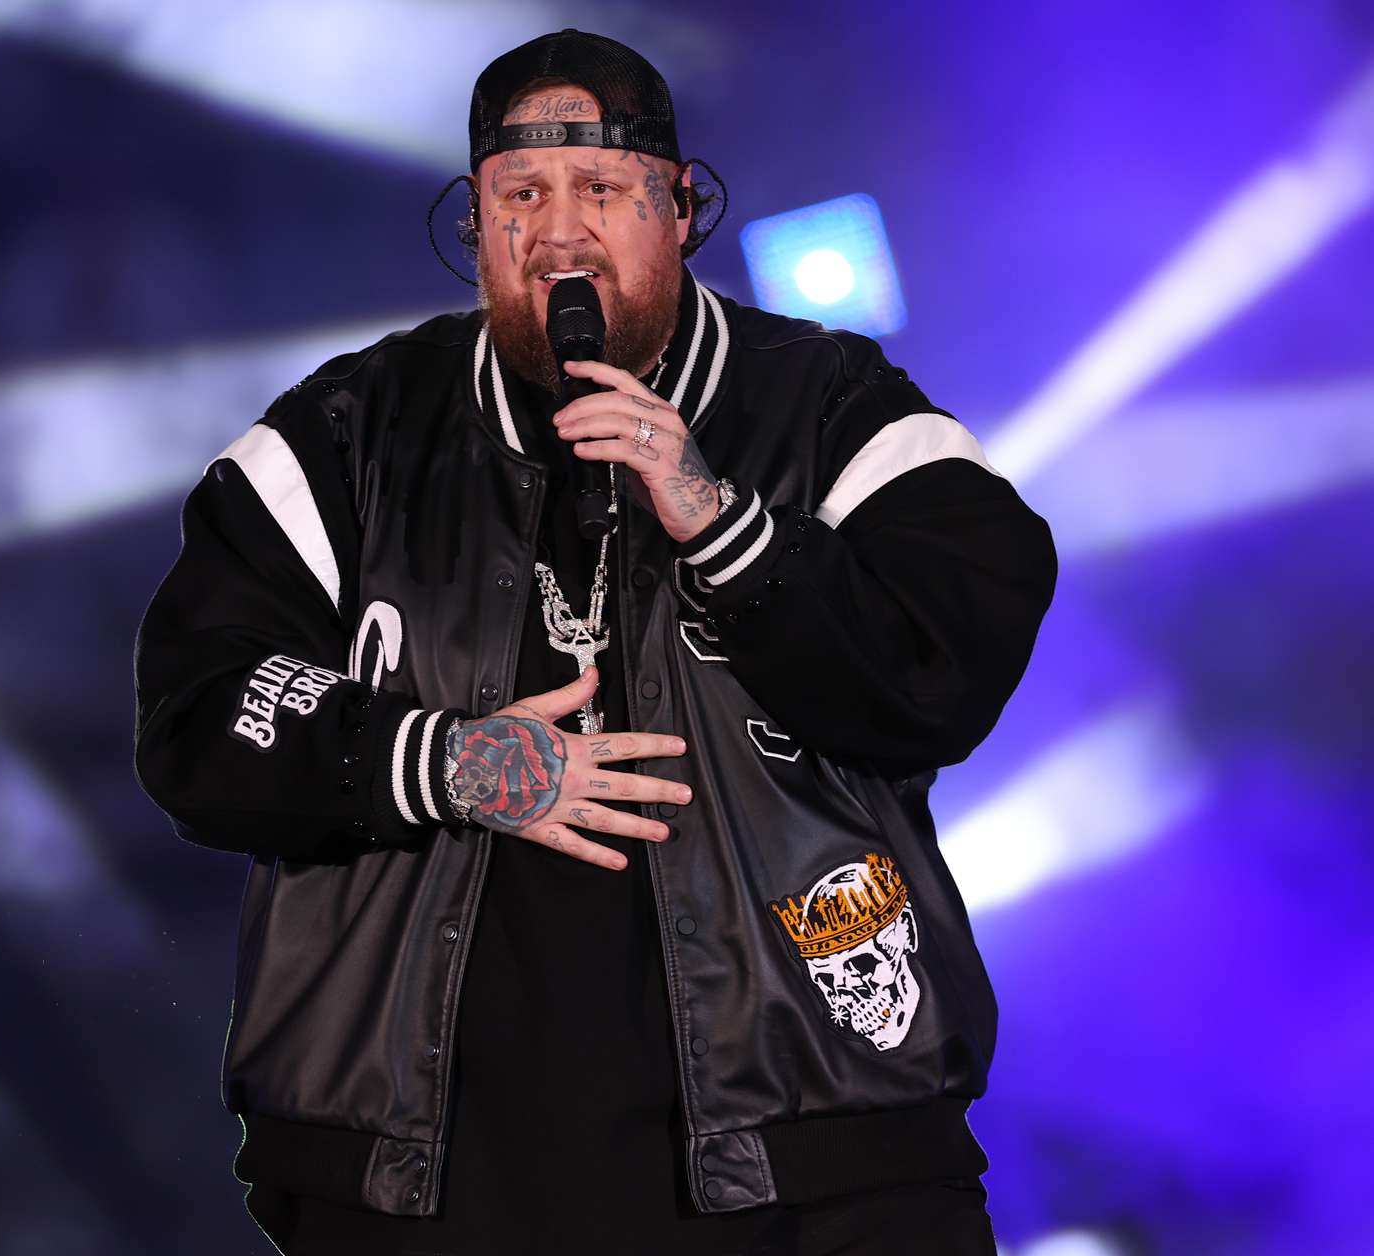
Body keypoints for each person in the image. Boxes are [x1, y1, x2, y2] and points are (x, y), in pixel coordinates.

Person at [133, 28, 1057, 1256]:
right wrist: (447, 762)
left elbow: (949, 658)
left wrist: (724, 523)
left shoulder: (831, 406)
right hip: (424, 1187)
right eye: (522, 197)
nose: (559, 235)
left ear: (680, 211)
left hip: (815, 1170)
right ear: (477, 226)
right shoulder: (349, 435)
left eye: (603, 192)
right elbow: (199, 711)